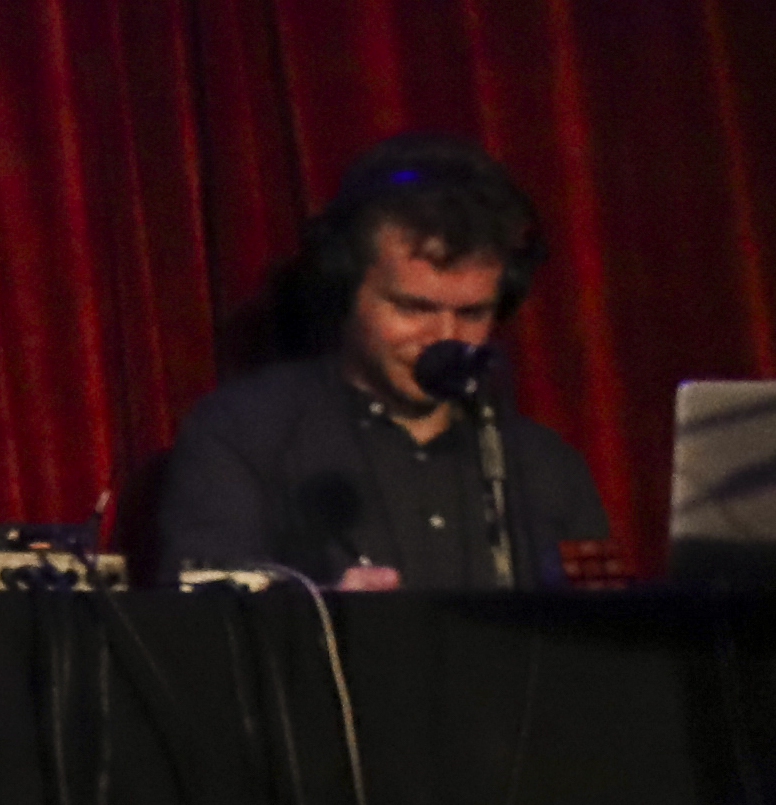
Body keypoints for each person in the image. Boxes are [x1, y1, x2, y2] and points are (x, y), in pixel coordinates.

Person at [141, 137, 600, 591]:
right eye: (413, 308)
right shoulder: (244, 434)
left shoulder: (544, 466)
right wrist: (325, 619)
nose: (446, 338)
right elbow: (203, 625)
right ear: (346, 291)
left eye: (471, 314)